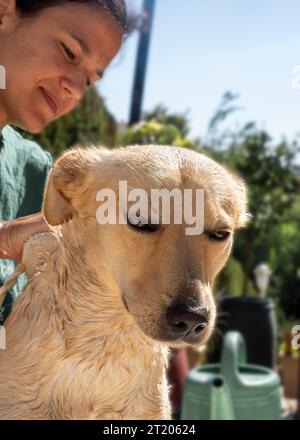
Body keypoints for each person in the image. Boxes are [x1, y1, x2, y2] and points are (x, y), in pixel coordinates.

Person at [0, 0, 127, 323]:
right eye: (69, 52)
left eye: (88, 81)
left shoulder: (33, 170)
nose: (74, 90)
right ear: (4, 11)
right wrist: (8, 238)